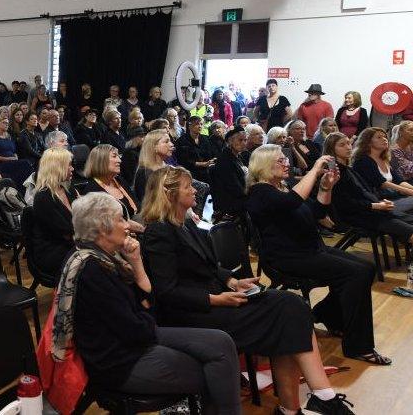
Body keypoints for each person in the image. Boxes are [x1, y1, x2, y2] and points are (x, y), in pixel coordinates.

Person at [140, 165, 357, 415]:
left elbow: (206, 267)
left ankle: (303, 404)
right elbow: (167, 291)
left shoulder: (184, 224)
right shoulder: (160, 231)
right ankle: (319, 399)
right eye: (188, 187)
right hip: (195, 313)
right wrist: (218, 299)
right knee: (287, 311)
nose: (195, 191)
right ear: (170, 194)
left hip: (215, 299)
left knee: (291, 306)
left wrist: (231, 281)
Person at [62, 193, 241, 415]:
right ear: (102, 228)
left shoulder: (109, 259)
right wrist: (146, 314)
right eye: (120, 219)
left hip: (138, 339)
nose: (128, 225)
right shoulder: (92, 270)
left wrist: (136, 263)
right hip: (120, 361)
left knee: (221, 342)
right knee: (216, 369)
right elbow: (136, 327)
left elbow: (146, 306)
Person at [248, 144, 387, 365]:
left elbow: (318, 212)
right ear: (264, 165)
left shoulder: (285, 187)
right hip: (288, 257)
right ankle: (358, 346)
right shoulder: (259, 192)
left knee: (366, 269)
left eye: (286, 159)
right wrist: (314, 170)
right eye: (280, 160)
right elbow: (292, 202)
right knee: (355, 274)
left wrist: (326, 186)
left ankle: (326, 314)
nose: (286, 163)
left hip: (311, 249)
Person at [326, 132, 413, 246]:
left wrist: (379, 203)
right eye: (342, 145)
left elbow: (365, 192)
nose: (348, 147)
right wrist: (376, 205)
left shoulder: (347, 169)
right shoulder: (335, 172)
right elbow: (344, 203)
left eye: (348, 143)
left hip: (372, 209)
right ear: (331, 149)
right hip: (357, 216)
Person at [30, 147, 76, 281]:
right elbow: (66, 233)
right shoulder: (43, 197)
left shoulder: (67, 189)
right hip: (52, 251)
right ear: (57, 167)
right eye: (69, 165)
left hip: (70, 243)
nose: (72, 168)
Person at [76, 144, 144, 234]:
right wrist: (144, 230)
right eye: (114, 156)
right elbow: (108, 225)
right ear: (101, 160)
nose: (119, 160)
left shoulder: (119, 180)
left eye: (118, 156)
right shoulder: (92, 190)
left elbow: (137, 207)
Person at [352, 127, 413, 200]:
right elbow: (381, 183)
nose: (384, 139)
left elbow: (398, 180)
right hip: (375, 200)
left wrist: (411, 189)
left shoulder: (384, 159)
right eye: (379, 137)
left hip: (389, 196)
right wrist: (407, 191)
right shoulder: (363, 160)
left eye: (385, 137)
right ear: (368, 142)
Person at [208, 128, 249, 223]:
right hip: (231, 201)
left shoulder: (239, 156)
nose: (243, 143)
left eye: (245, 140)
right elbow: (234, 188)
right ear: (230, 141)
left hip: (239, 195)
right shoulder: (225, 160)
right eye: (240, 140)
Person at [133, 130, 175, 203]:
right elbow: (147, 203)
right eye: (166, 142)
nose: (171, 144)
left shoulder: (169, 168)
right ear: (154, 146)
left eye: (170, 141)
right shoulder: (144, 173)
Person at [175, 115, 215, 183]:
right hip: (190, 172)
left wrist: (212, 160)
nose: (200, 126)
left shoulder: (206, 139)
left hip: (207, 171)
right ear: (190, 126)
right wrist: (202, 164)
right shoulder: (181, 141)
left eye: (201, 124)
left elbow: (211, 154)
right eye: (197, 124)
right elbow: (183, 160)